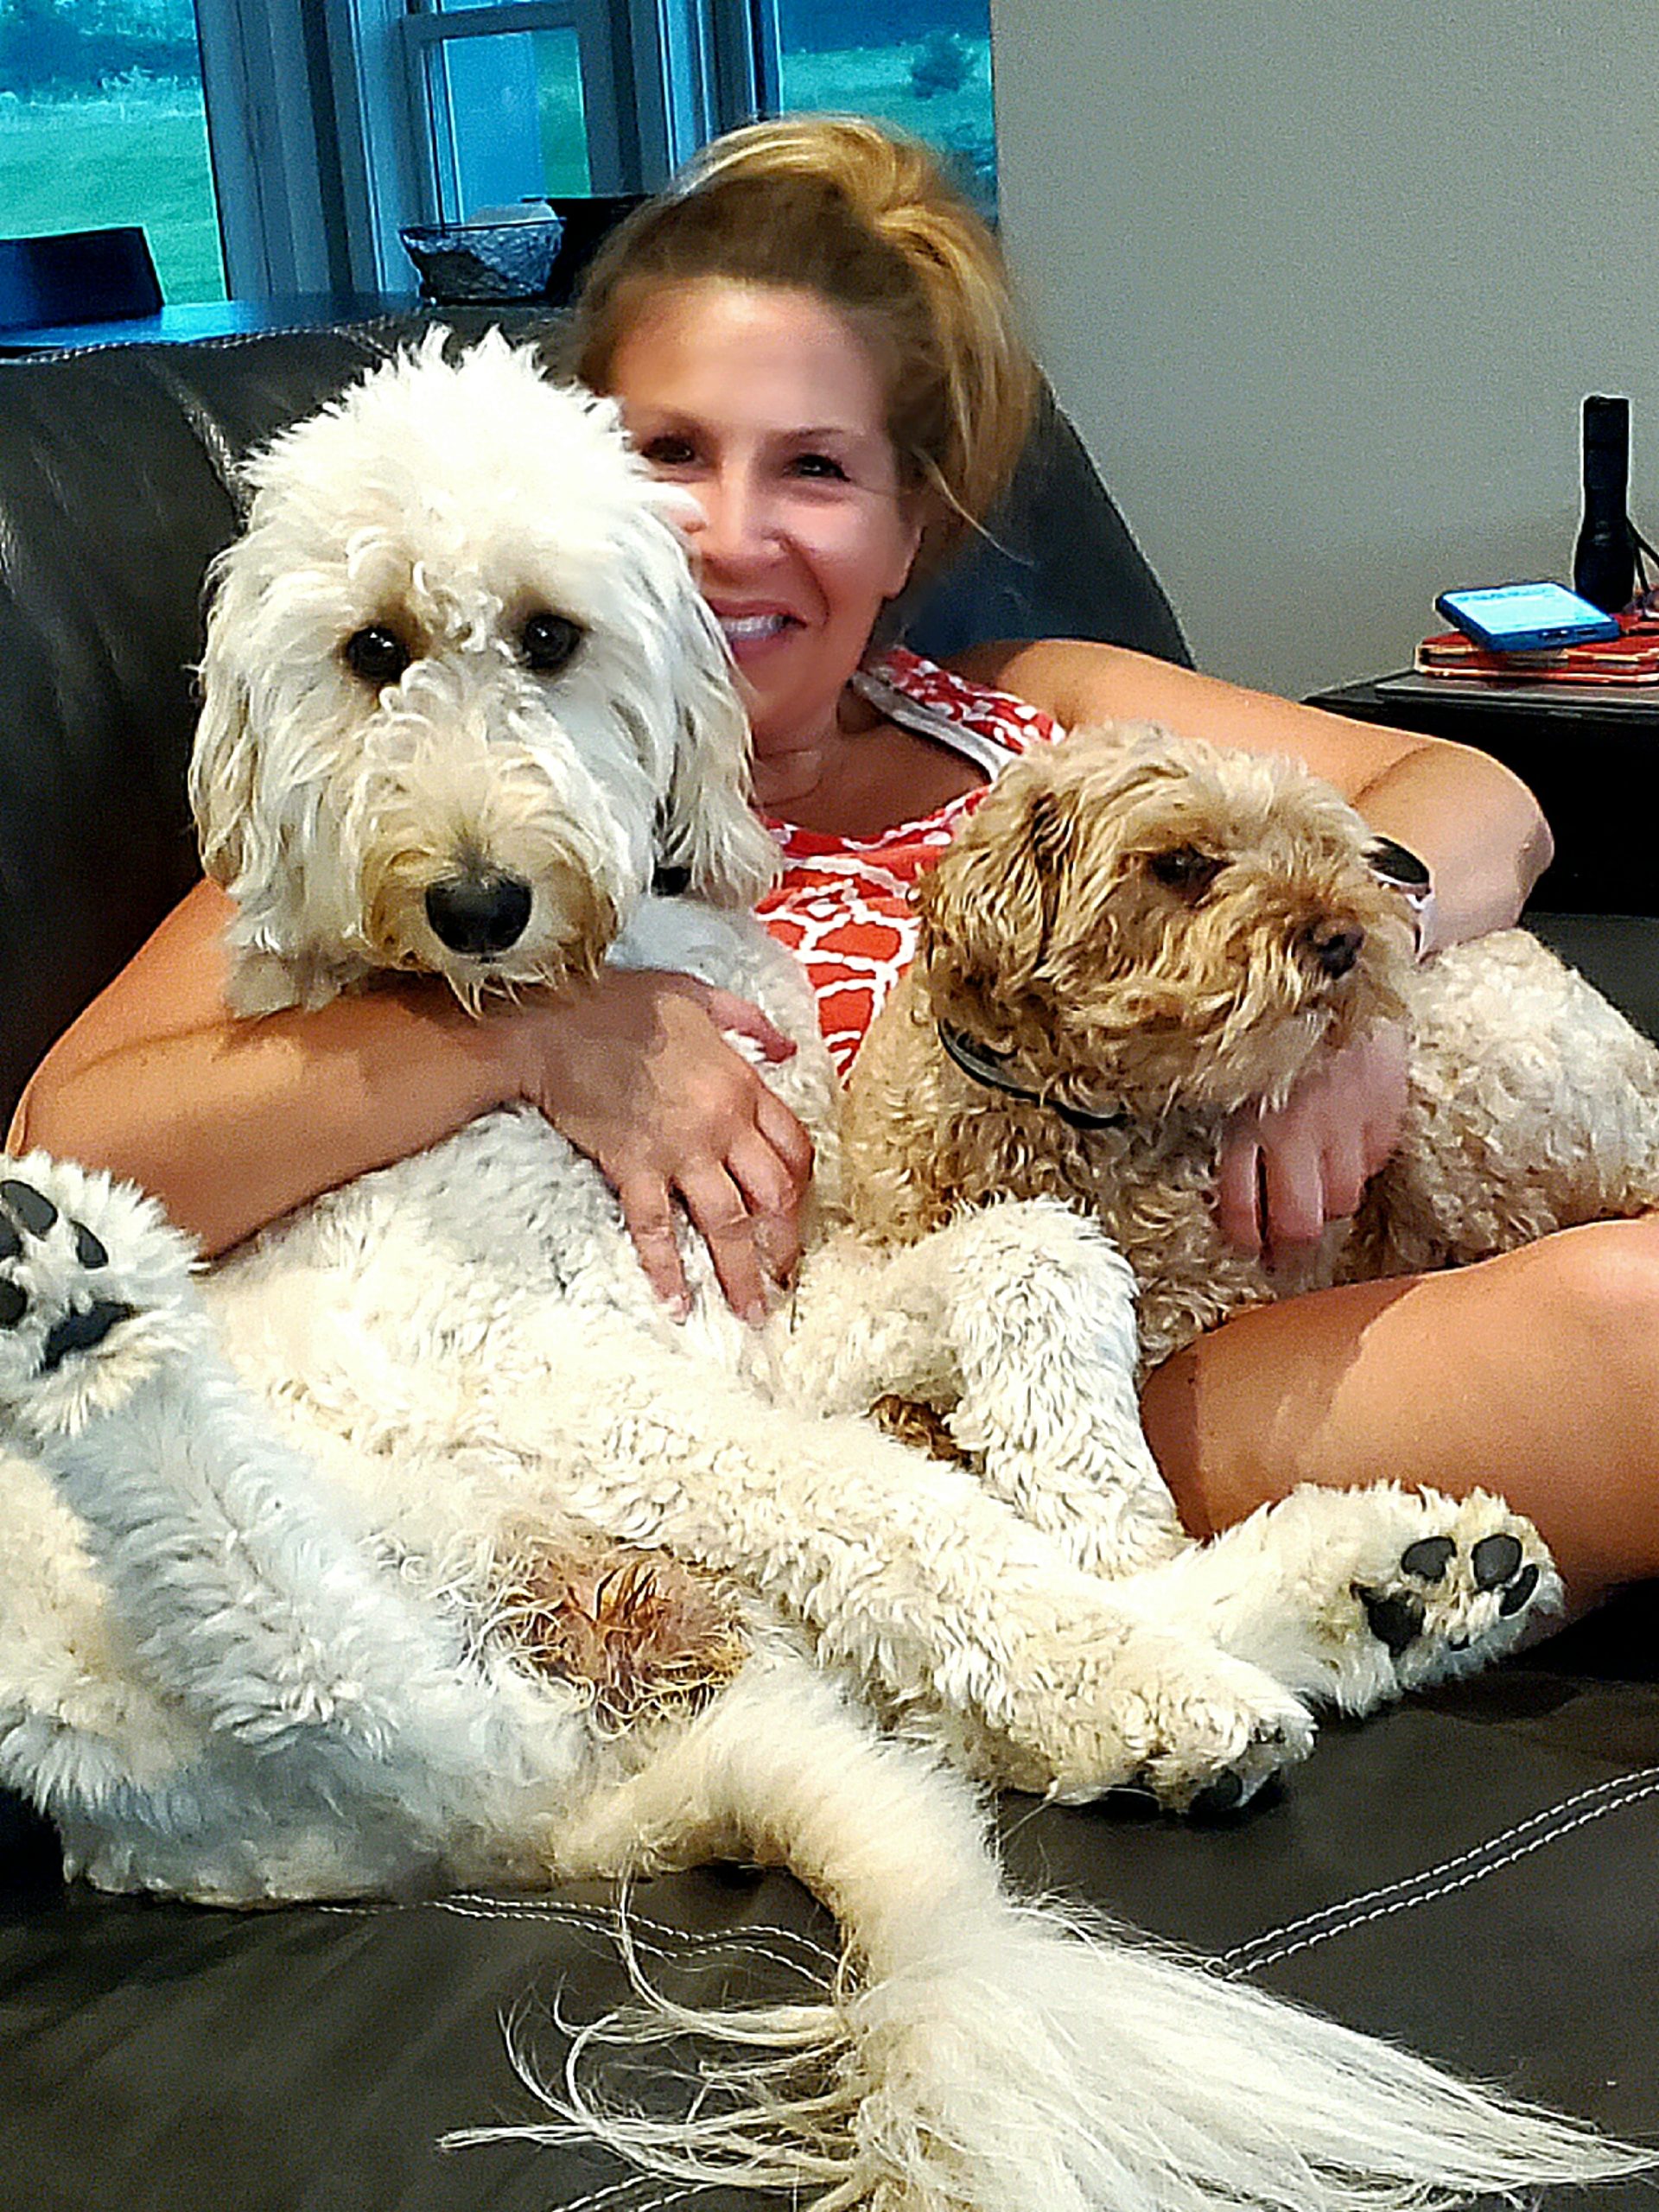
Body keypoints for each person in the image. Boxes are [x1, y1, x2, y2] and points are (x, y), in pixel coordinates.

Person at [11, 116, 1658, 1609]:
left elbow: (1479, 793)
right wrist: (525, 1034)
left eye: (813, 467)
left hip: (1294, 1262)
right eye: (669, 452)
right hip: (984, 1416)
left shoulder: (1039, 706)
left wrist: (1353, 983)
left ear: (907, 520)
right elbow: (69, 1154)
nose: (727, 536)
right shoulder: (457, 814)